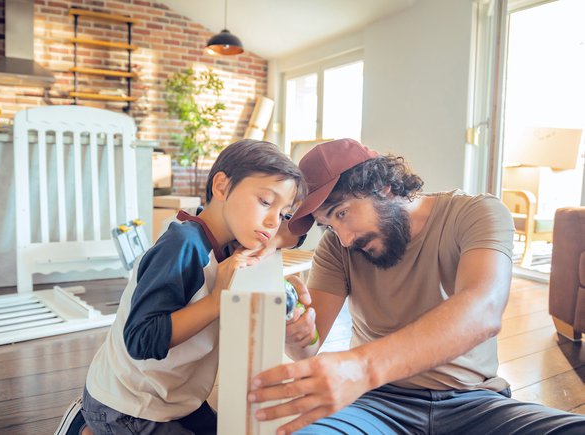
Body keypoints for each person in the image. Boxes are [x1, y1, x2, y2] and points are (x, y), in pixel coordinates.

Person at [247, 138, 585, 434]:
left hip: (473, 402)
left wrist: (361, 367)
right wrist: (299, 335)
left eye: (342, 213)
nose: (345, 238)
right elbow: (309, 346)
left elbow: (482, 311)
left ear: (384, 186)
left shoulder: (476, 213)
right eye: (329, 225)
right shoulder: (337, 248)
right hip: (374, 403)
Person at [79, 139, 305, 435]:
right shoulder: (182, 246)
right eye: (265, 201)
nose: (273, 221)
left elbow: (299, 229)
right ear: (222, 187)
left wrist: (273, 239)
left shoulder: (234, 236)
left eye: (283, 212)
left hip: (176, 399)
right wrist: (216, 301)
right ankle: (85, 428)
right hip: (128, 405)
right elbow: (140, 339)